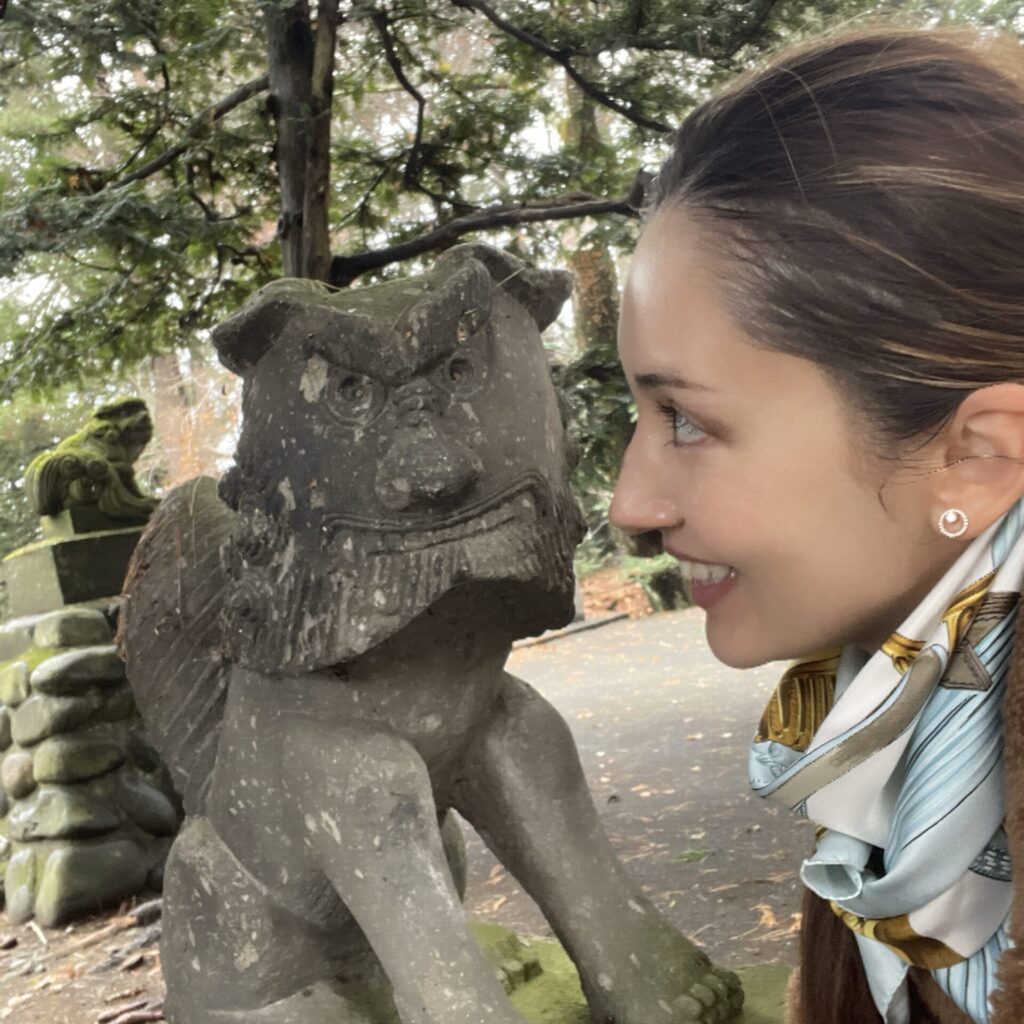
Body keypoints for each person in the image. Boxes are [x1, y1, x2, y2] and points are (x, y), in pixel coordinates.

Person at [608, 22, 1024, 1024]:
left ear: (976, 458)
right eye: (637, 415)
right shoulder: (893, 726)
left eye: (686, 419)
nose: (630, 506)